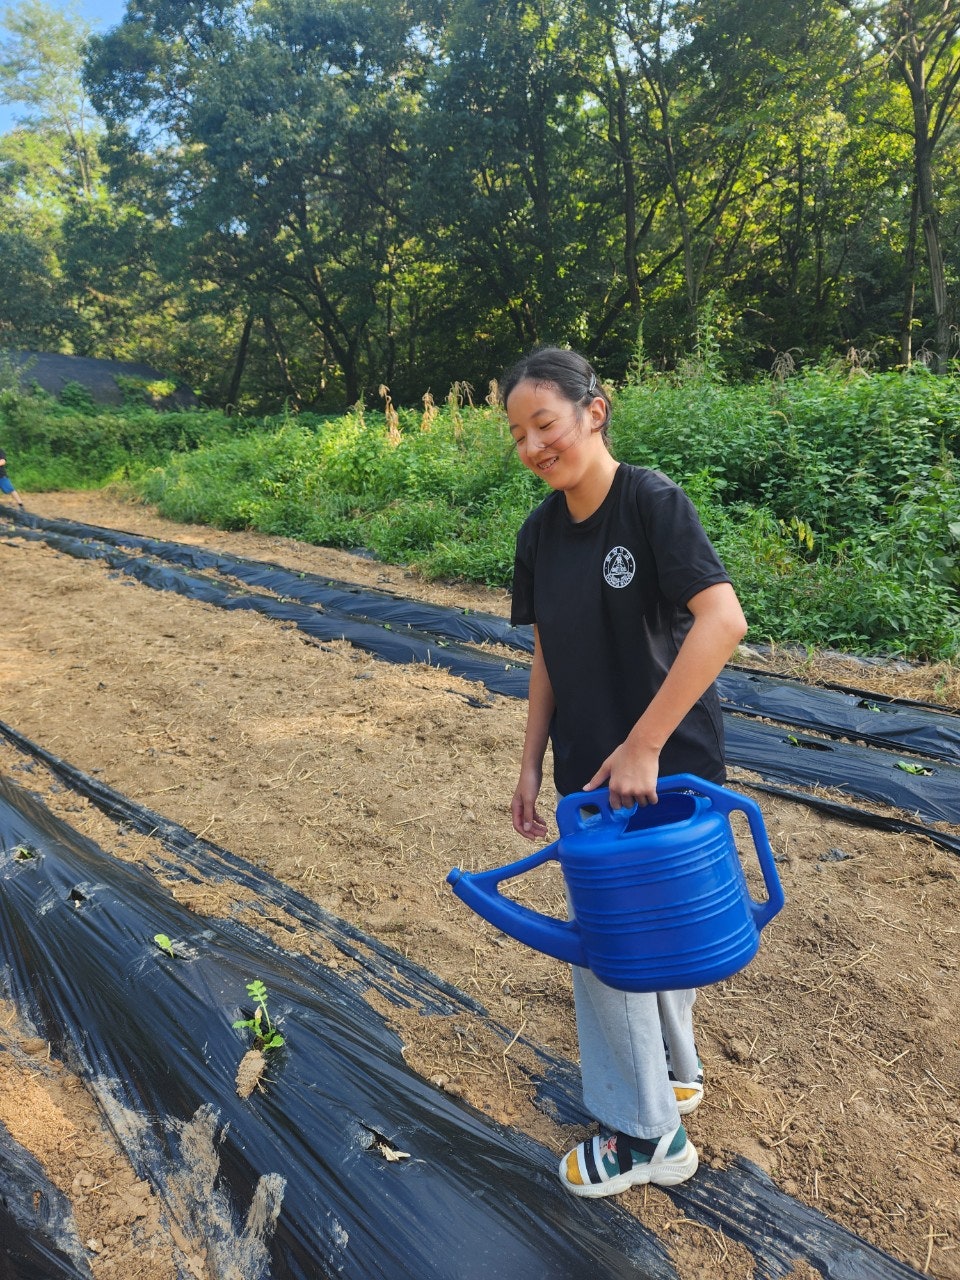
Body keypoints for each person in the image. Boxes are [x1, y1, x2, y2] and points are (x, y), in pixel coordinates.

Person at [504, 346, 748, 1198]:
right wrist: (531, 762)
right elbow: (545, 652)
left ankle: (649, 1138)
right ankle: (675, 1077)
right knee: (631, 942)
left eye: (546, 423)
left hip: (667, 770)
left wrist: (643, 745)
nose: (534, 446)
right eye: (518, 434)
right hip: (589, 778)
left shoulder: (649, 503)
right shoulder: (539, 534)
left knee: (624, 949)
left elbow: (723, 620)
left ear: (593, 411)